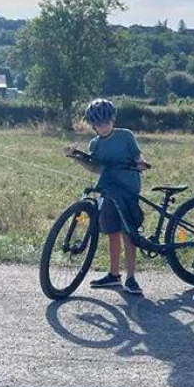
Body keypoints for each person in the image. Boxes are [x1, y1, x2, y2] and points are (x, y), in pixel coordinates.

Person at [64, 98, 149, 296]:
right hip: (108, 192)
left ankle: (131, 277)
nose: (103, 127)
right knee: (112, 233)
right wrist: (76, 157)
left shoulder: (125, 136)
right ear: (93, 126)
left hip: (128, 191)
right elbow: (95, 167)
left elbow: (138, 156)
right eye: (98, 124)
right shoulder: (95, 144)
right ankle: (113, 275)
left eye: (106, 123)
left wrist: (141, 163)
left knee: (129, 234)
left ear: (113, 120)